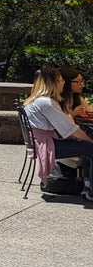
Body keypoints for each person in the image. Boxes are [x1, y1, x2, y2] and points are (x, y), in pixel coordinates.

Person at [23, 67, 93, 199]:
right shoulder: (47, 103)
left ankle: (87, 185)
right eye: (61, 80)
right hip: (48, 145)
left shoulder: (37, 100)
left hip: (42, 142)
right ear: (53, 83)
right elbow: (70, 129)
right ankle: (90, 190)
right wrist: (89, 140)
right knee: (90, 147)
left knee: (87, 143)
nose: (63, 83)